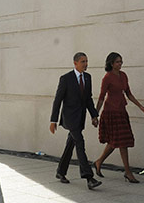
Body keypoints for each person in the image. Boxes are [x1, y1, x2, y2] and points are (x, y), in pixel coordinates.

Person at [50, 52, 102, 190]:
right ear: (75, 63)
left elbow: (88, 99)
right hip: (70, 118)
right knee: (80, 143)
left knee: (70, 144)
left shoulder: (88, 77)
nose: (85, 64)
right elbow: (58, 100)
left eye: (86, 61)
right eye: (83, 61)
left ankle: (60, 172)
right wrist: (53, 120)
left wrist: (94, 115)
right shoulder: (66, 78)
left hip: (80, 118)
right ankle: (89, 177)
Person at [93, 52, 144, 183]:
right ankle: (128, 173)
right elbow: (101, 97)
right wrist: (95, 115)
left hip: (121, 111)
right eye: (118, 62)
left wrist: (140, 106)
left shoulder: (123, 75)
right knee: (120, 142)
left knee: (117, 141)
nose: (120, 64)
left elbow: (128, 93)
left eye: (121, 61)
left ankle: (99, 162)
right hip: (110, 112)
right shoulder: (107, 78)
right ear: (111, 63)